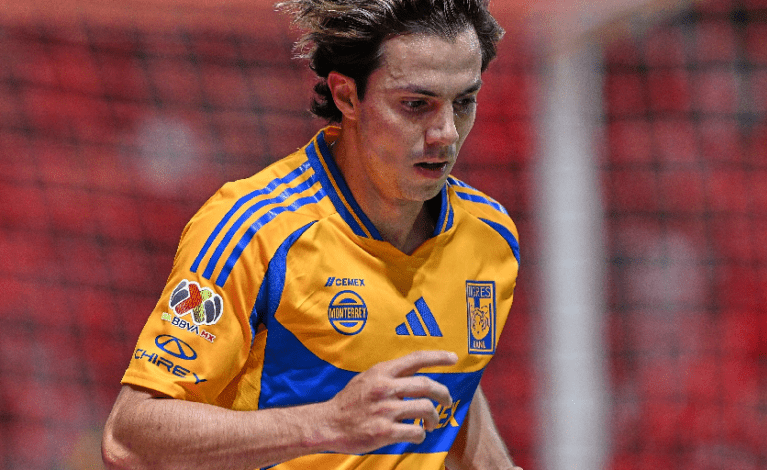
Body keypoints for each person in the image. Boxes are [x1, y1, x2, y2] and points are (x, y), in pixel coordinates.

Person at [101, 0, 522, 468]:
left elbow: (454, 395)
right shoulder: (254, 229)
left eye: (463, 102)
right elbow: (128, 439)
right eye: (416, 105)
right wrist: (326, 424)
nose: (445, 133)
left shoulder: (489, 236)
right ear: (347, 96)